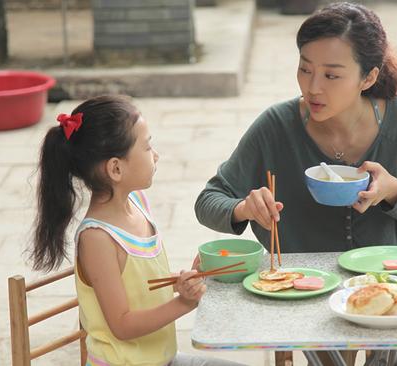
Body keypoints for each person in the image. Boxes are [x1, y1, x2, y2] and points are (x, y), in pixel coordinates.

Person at [194, 2, 397, 366]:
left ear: (368, 78)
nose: (312, 88)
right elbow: (208, 200)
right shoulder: (276, 126)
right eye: (304, 69)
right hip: (303, 290)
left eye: (331, 76)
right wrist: (242, 208)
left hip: (382, 285)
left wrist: (394, 191)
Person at [30, 95, 245, 366]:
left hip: (162, 359)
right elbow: (122, 324)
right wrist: (183, 303)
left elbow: (138, 282)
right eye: (147, 147)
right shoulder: (97, 238)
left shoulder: (137, 202)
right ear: (116, 168)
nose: (156, 155)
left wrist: (179, 281)